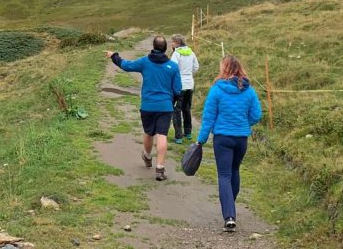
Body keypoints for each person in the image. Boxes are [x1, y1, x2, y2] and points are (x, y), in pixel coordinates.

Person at [195, 55, 263, 233]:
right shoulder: (249, 91)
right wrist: (244, 123)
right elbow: (256, 115)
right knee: (234, 171)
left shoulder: (217, 90)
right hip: (241, 139)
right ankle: (230, 206)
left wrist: (201, 140)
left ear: (224, 69)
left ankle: (229, 216)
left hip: (222, 138)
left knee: (224, 175)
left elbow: (208, 118)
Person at [106, 35, 183, 181]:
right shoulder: (173, 67)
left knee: (148, 133)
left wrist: (114, 56)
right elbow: (178, 90)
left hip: (148, 105)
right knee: (162, 135)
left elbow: (127, 66)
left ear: (153, 47)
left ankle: (147, 156)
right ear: (165, 48)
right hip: (165, 106)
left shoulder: (145, 62)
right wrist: (171, 102)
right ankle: (160, 169)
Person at [170, 34, 199, 144]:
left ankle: (178, 136)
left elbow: (173, 68)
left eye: (173, 42)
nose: (171, 44)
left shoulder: (176, 53)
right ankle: (188, 132)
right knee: (186, 108)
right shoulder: (191, 53)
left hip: (179, 85)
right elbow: (196, 67)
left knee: (176, 110)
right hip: (190, 84)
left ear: (177, 43)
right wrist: (189, 75)